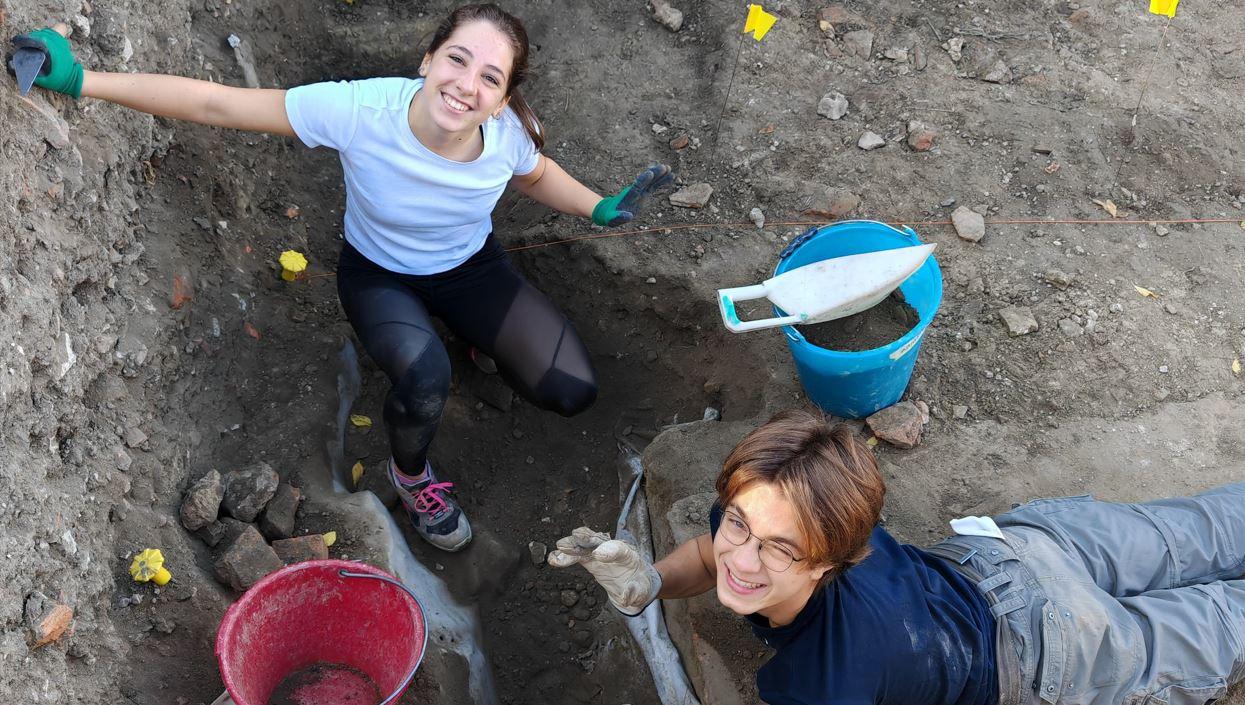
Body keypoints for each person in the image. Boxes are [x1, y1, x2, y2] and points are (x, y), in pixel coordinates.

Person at [14, 4, 672, 552]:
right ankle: (412, 476)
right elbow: (218, 103)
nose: (467, 84)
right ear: (427, 60)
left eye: (490, 77)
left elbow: (534, 174)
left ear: (502, 98)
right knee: (422, 377)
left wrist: (596, 206)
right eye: (457, 60)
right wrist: (82, 80)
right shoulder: (361, 109)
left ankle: (477, 339)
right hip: (378, 276)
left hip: (471, 272)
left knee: (571, 390)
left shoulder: (504, 136)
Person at [551, 408, 1245, 705]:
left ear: (830, 559)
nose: (741, 555)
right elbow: (708, 552)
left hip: (1056, 651)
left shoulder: (821, 682)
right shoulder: (793, 505)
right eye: (738, 523)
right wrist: (647, 581)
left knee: (1226, 619)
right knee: (1207, 526)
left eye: (776, 550)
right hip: (1019, 552)